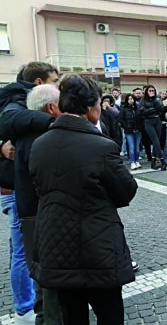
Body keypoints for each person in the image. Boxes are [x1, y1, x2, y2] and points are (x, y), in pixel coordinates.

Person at [28, 74, 137, 324]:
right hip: (98, 248)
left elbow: (39, 186)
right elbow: (126, 191)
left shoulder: (40, 144)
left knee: (72, 316)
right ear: (90, 107)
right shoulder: (101, 146)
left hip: (55, 245)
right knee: (109, 314)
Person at [0, 61, 59, 323]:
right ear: (39, 82)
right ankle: (25, 309)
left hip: (25, 183)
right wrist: (58, 122)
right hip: (16, 186)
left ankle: (39, 305)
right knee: (24, 249)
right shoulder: (15, 99)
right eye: (54, 80)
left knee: (32, 248)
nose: (57, 85)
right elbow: (10, 120)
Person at [141, 85, 167, 170]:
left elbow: (160, 109)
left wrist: (154, 101)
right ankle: (162, 160)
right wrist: (152, 110)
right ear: (146, 92)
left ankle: (153, 161)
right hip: (148, 121)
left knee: (157, 141)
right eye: (150, 91)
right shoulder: (143, 100)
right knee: (155, 141)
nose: (151, 92)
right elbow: (142, 112)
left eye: (153, 91)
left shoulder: (157, 100)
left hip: (157, 120)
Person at [119, 93, 144, 170]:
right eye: (129, 99)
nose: (131, 100)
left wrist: (141, 127)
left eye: (132, 99)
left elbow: (141, 118)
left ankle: (137, 160)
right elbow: (121, 119)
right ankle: (132, 161)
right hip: (129, 131)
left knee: (137, 147)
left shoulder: (138, 108)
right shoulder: (124, 108)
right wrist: (126, 126)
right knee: (131, 146)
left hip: (138, 130)